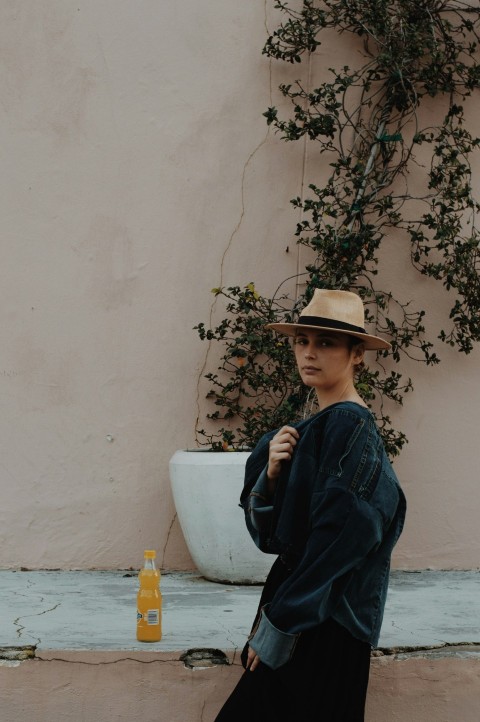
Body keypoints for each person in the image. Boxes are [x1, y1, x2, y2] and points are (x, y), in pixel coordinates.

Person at [213, 288, 406, 722]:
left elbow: (340, 540)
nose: (309, 352)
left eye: (326, 342)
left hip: (324, 624)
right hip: (304, 612)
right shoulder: (310, 431)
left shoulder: (348, 426)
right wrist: (273, 473)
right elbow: (272, 537)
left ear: (357, 354)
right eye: (302, 341)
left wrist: (280, 626)